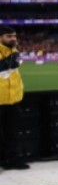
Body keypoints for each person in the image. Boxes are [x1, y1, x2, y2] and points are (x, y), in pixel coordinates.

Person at [0, 25, 28, 170]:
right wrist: (11, 60)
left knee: (12, 133)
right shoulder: (13, 53)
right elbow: (4, 67)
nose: (13, 39)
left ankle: (12, 160)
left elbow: (11, 67)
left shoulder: (14, 51)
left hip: (13, 98)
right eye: (9, 36)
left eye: (14, 36)